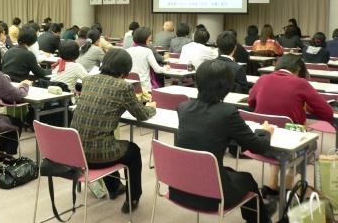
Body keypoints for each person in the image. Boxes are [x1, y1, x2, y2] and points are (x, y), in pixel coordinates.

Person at [170, 60, 274, 223]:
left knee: (228, 170)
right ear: (227, 86)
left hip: (179, 188)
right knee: (248, 179)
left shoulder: (183, 107)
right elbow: (259, 147)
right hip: (212, 196)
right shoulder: (227, 113)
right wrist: (265, 132)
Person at [71, 48, 156, 213]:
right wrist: (152, 107)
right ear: (125, 72)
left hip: (76, 153)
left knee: (106, 140)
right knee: (132, 150)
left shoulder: (88, 80)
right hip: (96, 156)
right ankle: (133, 197)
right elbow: (142, 115)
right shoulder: (123, 87)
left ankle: (114, 186)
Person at [248, 54, 333, 196]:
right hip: (292, 147)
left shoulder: (262, 79)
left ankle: (273, 182)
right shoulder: (300, 83)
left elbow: (251, 103)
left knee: (275, 129)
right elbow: (328, 113)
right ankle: (288, 182)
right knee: (311, 144)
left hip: (263, 141)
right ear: (298, 69)